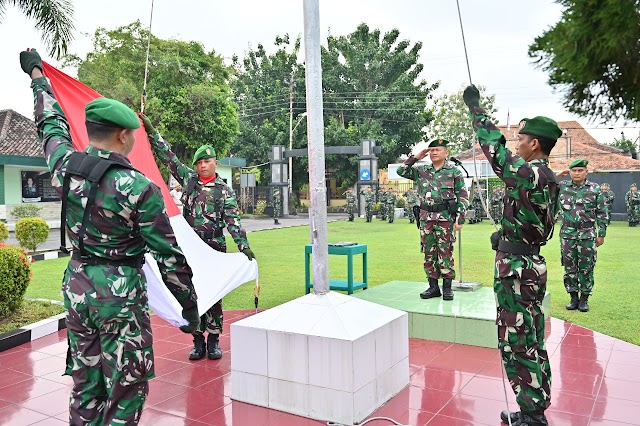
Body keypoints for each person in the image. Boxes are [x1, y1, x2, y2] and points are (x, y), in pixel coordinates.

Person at [20, 48, 199, 425]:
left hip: (78, 287)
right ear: (122, 135)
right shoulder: (139, 188)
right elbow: (169, 257)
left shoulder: (65, 166)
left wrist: (37, 75)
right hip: (120, 297)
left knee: (87, 383)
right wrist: (190, 305)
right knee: (127, 387)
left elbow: (50, 124)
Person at [464, 85, 561, 426]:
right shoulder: (547, 177)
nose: (517, 144)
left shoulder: (529, 172)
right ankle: (535, 405)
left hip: (517, 271)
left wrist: (476, 108)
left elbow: (494, 149)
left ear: (535, 144)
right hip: (528, 261)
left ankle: (533, 416)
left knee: (517, 341)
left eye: (522, 140)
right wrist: (507, 236)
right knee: (531, 337)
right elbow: (539, 225)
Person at [140, 114, 255, 361]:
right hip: (191, 249)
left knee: (213, 294)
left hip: (214, 248)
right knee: (191, 291)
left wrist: (244, 247)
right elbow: (167, 157)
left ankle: (213, 339)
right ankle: (197, 340)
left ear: (215, 163)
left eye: (207, 161)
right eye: (199, 162)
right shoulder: (188, 180)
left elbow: (233, 221)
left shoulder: (224, 191)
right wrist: (151, 132)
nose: (203, 165)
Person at [396, 138, 468, 301]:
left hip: (445, 218)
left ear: (446, 153)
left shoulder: (453, 171)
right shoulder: (421, 170)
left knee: (445, 251)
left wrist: (460, 218)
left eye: (438, 149)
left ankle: (447, 287)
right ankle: (433, 287)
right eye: (432, 150)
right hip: (426, 218)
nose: (434, 152)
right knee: (429, 252)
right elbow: (401, 171)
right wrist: (416, 157)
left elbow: (462, 195)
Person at [557, 160, 607, 313]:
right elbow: (545, 183)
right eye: (574, 170)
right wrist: (559, 174)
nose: (577, 173)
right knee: (569, 267)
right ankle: (573, 297)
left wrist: (601, 234)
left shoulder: (595, 189)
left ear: (586, 172)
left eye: (580, 170)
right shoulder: (562, 187)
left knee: (586, 267)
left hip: (587, 234)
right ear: (569, 172)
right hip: (568, 234)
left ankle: (584, 299)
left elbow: (602, 213)